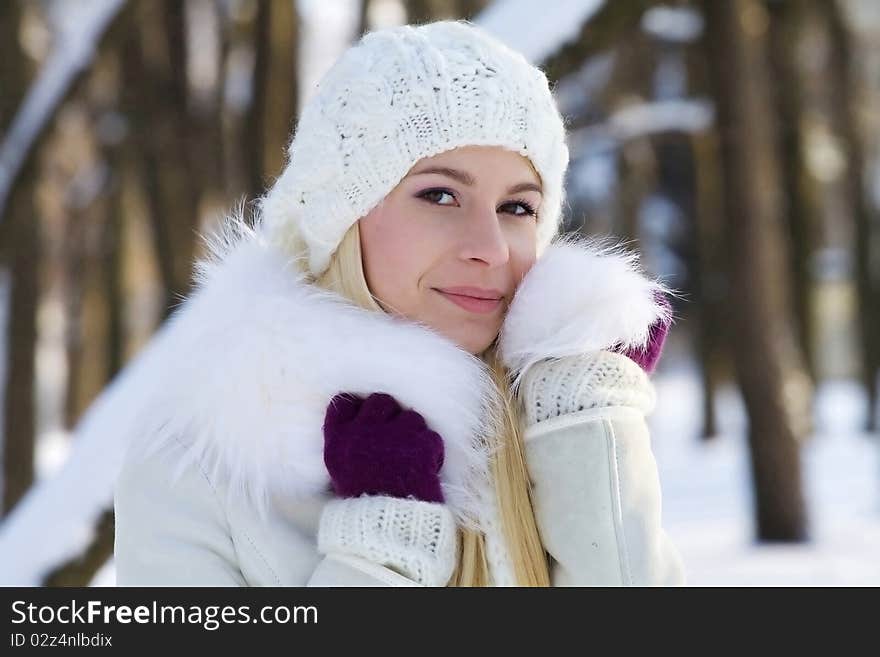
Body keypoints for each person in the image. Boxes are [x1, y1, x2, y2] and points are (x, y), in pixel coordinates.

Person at [113, 19, 685, 587]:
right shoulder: (198, 466)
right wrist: (380, 551)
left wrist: (590, 437)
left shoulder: (548, 427)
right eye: (440, 195)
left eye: (517, 208)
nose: (489, 249)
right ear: (342, 217)